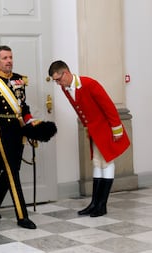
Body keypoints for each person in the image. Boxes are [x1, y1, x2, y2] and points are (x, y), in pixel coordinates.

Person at [0, 45, 56, 230]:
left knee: (12, 169)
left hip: (17, 130)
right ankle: (22, 215)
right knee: (11, 171)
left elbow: (22, 108)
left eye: (10, 57)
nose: (9, 61)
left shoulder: (19, 80)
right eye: (4, 58)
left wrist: (31, 125)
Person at [48, 60, 130, 217]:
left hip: (106, 128)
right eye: (55, 81)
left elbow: (108, 106)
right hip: (94, 129)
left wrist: (116, 128)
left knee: (106, 162)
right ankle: (95, 203)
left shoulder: (90, 84)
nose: (58, 84)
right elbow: (80, 110)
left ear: (66, 73)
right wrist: (87, 127)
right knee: (97, 164)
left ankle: (102, 205)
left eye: (59, 79)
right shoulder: (66, 88)